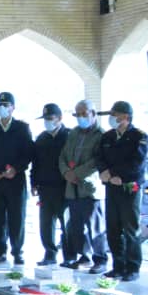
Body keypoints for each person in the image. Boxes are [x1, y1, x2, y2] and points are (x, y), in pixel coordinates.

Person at [98, 101, 148, 281]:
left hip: (129, 187)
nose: (112, 118)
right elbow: (100, 157)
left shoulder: (138, 136)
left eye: (115, 115)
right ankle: (118, 266)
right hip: (111, 187)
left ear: (126, 117)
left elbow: (137, 162)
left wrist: (116, 174)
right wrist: (104, 172)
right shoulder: (108, 136)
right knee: (113, 228)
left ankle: (132, 267)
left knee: (130, 229)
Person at [0, 92, 34, 265]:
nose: (2, 108)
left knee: (16, 217)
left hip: (15, 181)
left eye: (6, 105)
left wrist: (16, 169)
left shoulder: (22, 128)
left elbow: (28, 154)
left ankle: (17, 251)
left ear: (13, 107)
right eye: (0, 105)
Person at [58, 100, 108, 274]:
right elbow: (63, 156)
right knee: (77, 226)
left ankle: (100, 259)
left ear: (93, 114)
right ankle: (84, 257)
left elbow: (97, 160)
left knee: (95, 226)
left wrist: (77, 173)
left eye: (84, 114)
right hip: (72, 188)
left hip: (90, 188)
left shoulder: (101, 135)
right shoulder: (73, 133)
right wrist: (66, 172)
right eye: (77, 114)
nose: (80, 117)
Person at [31, 104, 71, 266]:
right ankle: (49, 253)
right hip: (45, 188)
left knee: (66, 223)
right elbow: (35, 163)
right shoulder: (41, 138)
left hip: (64, 187)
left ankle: (69, 256)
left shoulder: (69, 136)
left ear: (60, 118)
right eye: (45, 119)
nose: (47, 122)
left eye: (50, 118)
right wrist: (34, 183)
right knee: (46, 224)